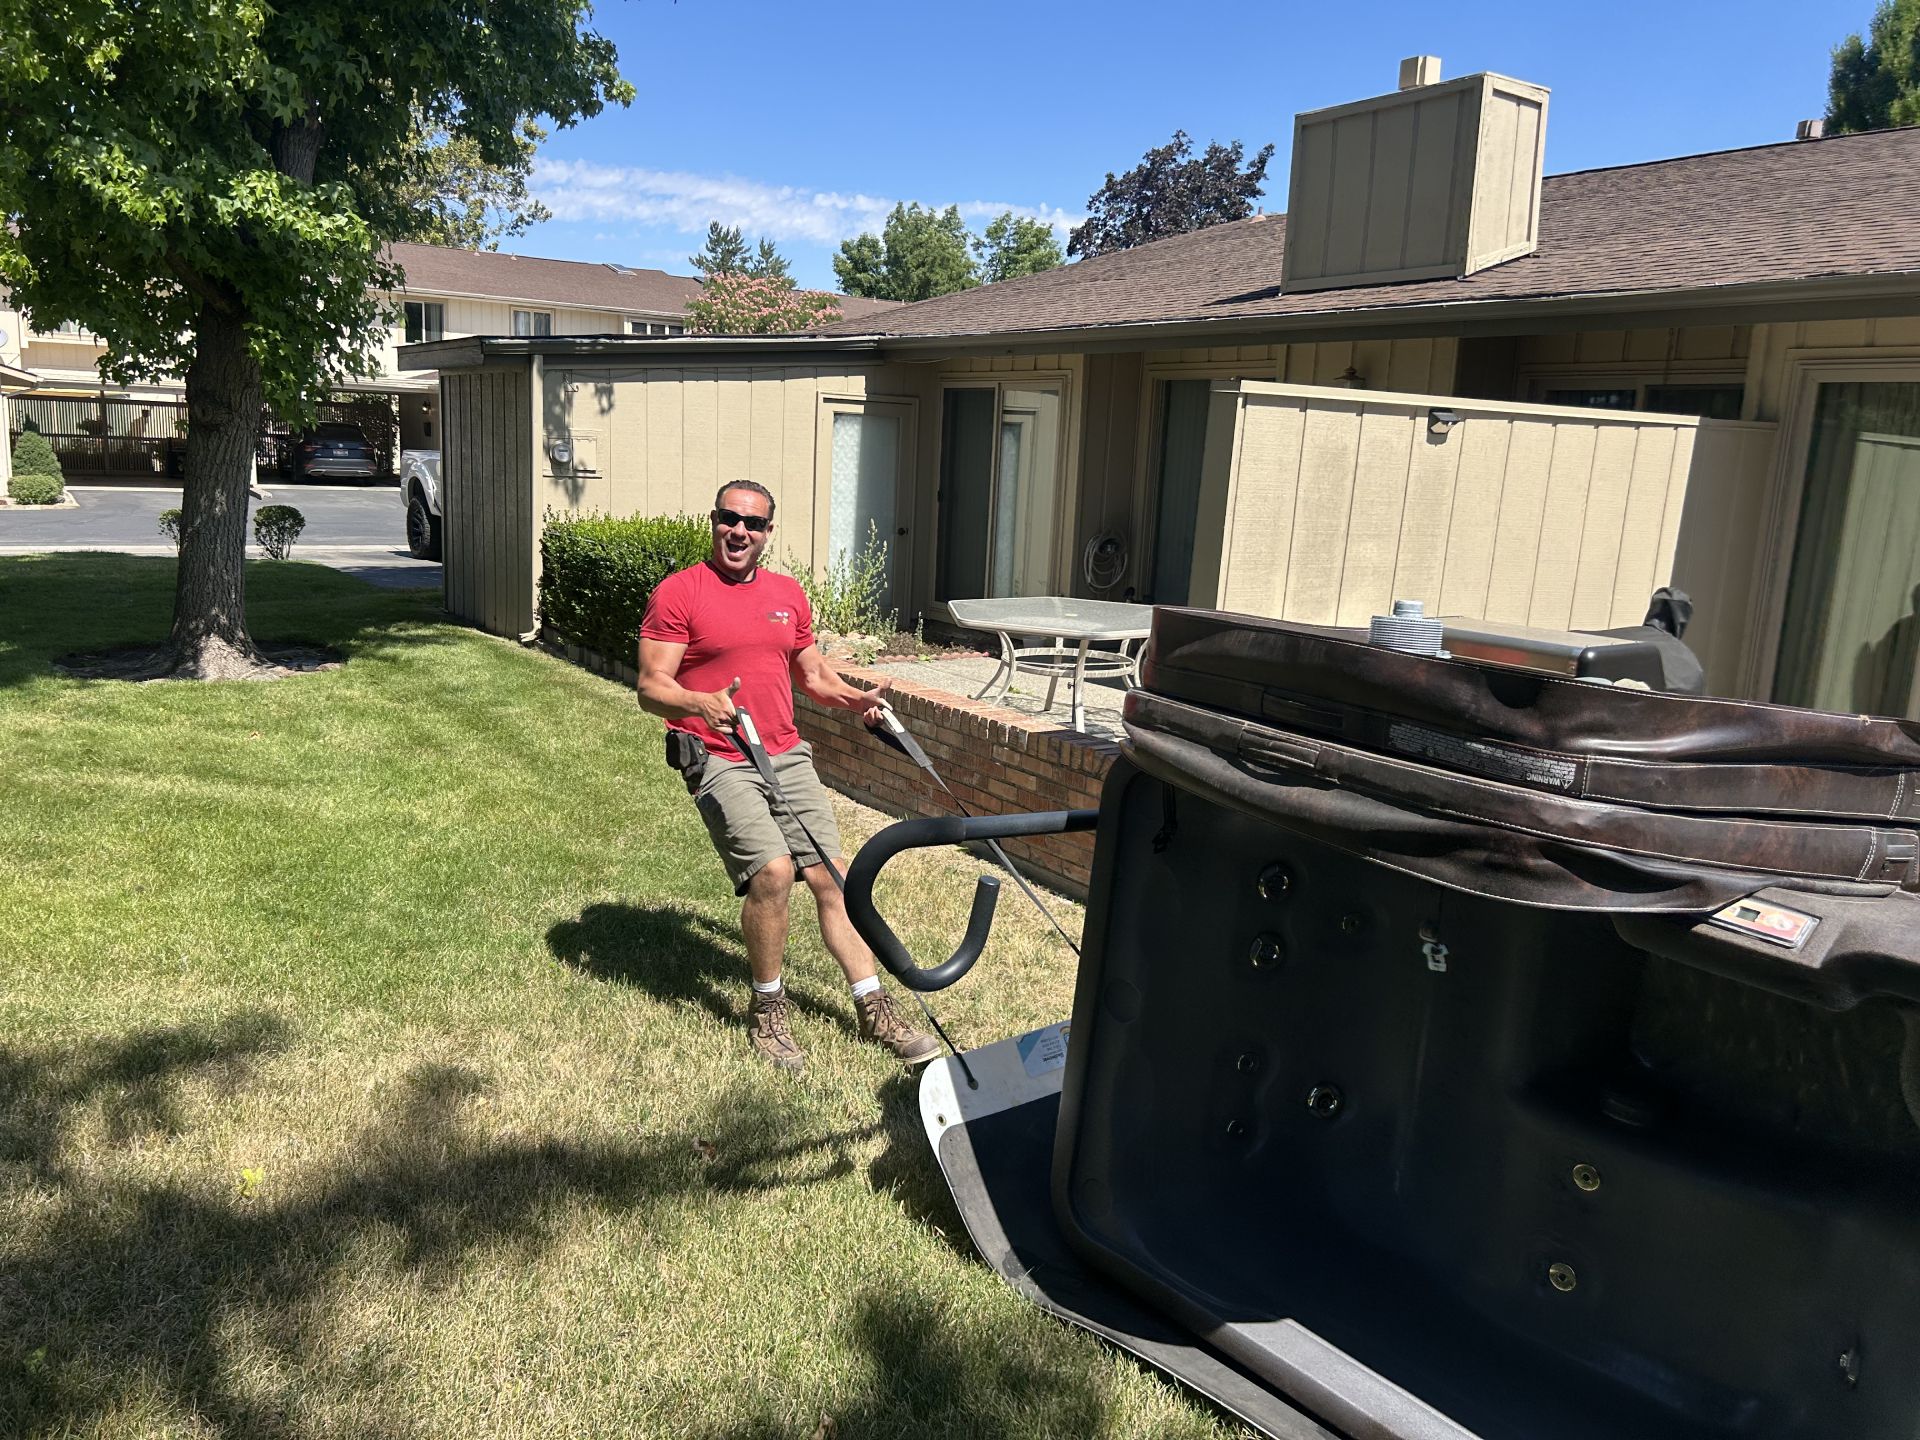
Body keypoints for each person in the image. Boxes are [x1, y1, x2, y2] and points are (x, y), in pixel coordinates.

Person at [636, 481, 938, 1074]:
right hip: (716, 752)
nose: (739, 531)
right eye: (729, 518)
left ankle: (873, 1006)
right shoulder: (680, 593)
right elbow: (650, 688)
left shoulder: (786, 595)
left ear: (768, 533)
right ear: (714, 520)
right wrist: (700, 703)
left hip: (784, 752)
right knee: (772, 874)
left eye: (753, 523)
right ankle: (768, 1011)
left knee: (833, 878)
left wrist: (856, 701)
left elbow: (812, 674)